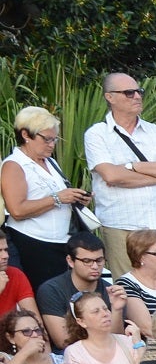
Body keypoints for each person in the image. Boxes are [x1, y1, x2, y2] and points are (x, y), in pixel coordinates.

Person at [84, 74, 156, 273]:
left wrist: (131, 166)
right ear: (110, 97)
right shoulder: (97, 134)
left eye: (139, 91)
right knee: (126, 289)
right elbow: (111, 176)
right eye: (129, 93)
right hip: (121, 225)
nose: (137, 96)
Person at [4, 107, 91, 290]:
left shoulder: (49, 161)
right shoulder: (14, 164)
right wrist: (57, 198)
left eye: (55, 139)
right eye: (47, 139)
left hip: (60, 241)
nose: (52, 144)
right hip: (32, 241)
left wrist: (76, 198)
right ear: (26, 135)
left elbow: (59, 196)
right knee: (44, 293)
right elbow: (17, 210)